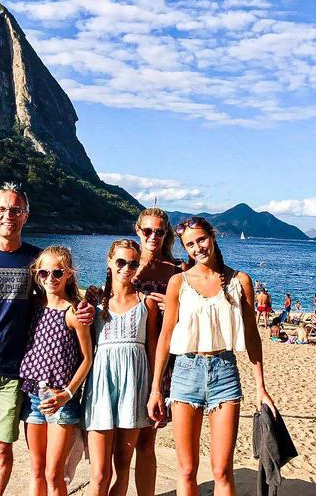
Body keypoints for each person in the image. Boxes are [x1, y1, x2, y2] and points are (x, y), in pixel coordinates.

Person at [0, 182, 95, 496]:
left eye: (16, 209)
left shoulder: (38, 261)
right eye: (1, 209)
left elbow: (59, 295)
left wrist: (89, 305)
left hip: (14, 375)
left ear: (25, 215)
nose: (9, 215)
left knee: (2, 448)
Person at [148, 216, 276, 495]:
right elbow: (166, 337)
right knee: (186, 469)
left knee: (221, 470)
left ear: (213, 236)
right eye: (190, 244)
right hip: (185, 371)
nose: (198, 248)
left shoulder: (240, 281)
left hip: (224, 372)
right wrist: (156, 388)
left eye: (201, 240)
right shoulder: (178, 282)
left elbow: (252, 336)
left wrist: (261, 387)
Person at [84, 239, 159, 496]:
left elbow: (153, 348)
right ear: (109, 262)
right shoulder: (94, 302)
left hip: (134, 388)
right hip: (101, 387)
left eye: (133, 263)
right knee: (100, 474)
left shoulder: (146, 302)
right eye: (121, 262)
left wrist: (155, 390)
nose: (127, 267)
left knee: (123, 466)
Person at [18, 246, 93, 496]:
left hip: (61, 400)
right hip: (32, 397)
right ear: (36, 274)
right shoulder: (34, 305)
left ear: (69, 274)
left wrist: (68, 394)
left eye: (58, 272)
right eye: (44, 273)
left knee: (54, 474)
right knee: (37, 470)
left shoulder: (74, 311)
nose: (50, 279)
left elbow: (87, 359)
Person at [130, 207, 183, 496]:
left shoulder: (178, 270)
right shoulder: (125, 263)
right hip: (126, 357)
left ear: (167, 234)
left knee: (146, 442)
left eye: (159, 231)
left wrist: (178, 307)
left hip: (160, 360)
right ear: (138, 231)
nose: (153, 236)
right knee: (121, 440)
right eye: (147, 230)